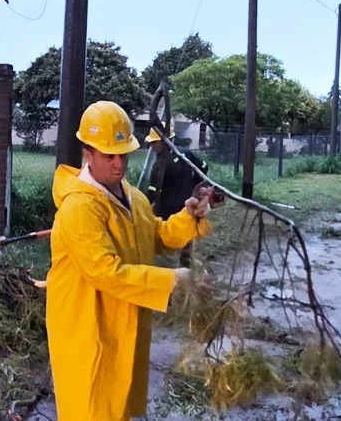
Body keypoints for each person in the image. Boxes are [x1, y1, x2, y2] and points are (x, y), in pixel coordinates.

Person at [45, 101, 220, 421]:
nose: (118, 164)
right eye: (108, 155)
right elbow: (106, 272)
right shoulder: (79, 208)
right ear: (87, 153)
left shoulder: (132, 197)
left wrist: (188, 215)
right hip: (87, 330)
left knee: (119, 405)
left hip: (122, 322)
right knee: (91, 409)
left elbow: (158, 236)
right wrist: (174, 280)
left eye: (122, 154)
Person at [144, 124, 210, 267]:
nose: (152, 146)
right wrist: (196, 184)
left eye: (154, 142)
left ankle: (172, 269)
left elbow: (152, 194)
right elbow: (204, 167)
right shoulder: (186, 154)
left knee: (168, 243)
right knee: (186, 237)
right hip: (188, 207)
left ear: (165, 141)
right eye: (151, 143)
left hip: (168, 212)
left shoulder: (159, 166)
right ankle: (186, 263)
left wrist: (140, 205)